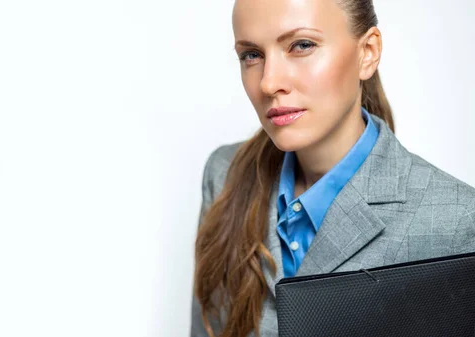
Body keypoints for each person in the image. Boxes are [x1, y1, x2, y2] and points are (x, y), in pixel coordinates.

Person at [190, 0, 475, 336]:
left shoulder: (456, 222)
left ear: (367, 52)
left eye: (302, 45)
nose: (268, 83)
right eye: (251, 54)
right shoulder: (224, 175)